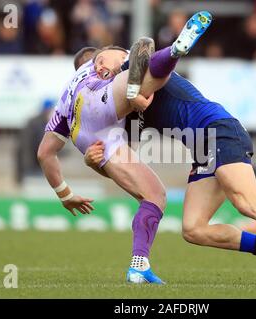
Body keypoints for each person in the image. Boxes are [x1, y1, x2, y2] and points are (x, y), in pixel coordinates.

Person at [85, 19, 256, 287]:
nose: (99, 67)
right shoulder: (121, 106)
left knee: (247, 202)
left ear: (118, 52)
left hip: (218, 130)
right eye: (93, 68)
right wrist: (93, 163)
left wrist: (165, 58)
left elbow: (143, 49)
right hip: (202, 149)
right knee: (194, 229)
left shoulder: (133, 65)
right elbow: (123, 159)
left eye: (101, 58)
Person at [38, 11, 213, 284]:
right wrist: (130, 85)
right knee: (142, 51)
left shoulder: (64, 98)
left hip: (89, 137)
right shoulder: (101, 61)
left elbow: (44, 153)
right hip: (99, 100)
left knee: (154, 196)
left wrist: (65, 194)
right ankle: (174, 51)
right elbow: (128, 54)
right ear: (94, 58)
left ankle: (138, 266)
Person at [16, 98, 55, 185]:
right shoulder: (34, 123)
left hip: (40, 163)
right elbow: (25, 146)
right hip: (32, 164)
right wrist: (27, 166)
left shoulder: (47, 123)